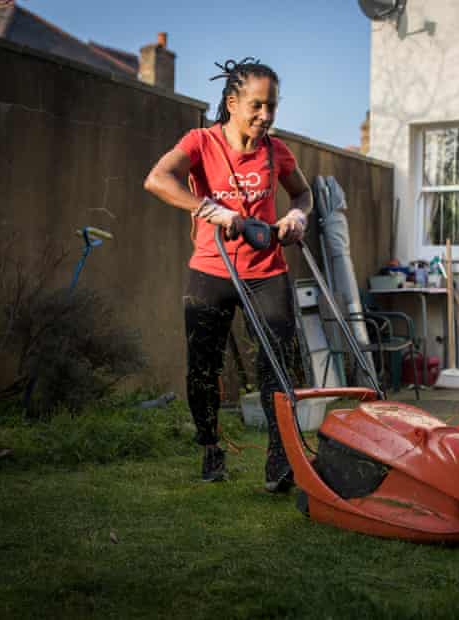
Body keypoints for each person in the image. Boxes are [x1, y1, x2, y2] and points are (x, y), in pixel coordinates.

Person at [143, 58, 312, 487]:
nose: (266, 116)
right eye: (257, 106)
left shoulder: (276, 151)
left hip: (266, 270)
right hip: (211, 270)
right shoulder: (200, 142)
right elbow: (158, 180)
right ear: (232, 102)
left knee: (277, 362)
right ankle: (211, 448)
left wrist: (297, 216)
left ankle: (280, 457)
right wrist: (211, 210)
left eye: (272, 106)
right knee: (203, 366)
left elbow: (304, 194)